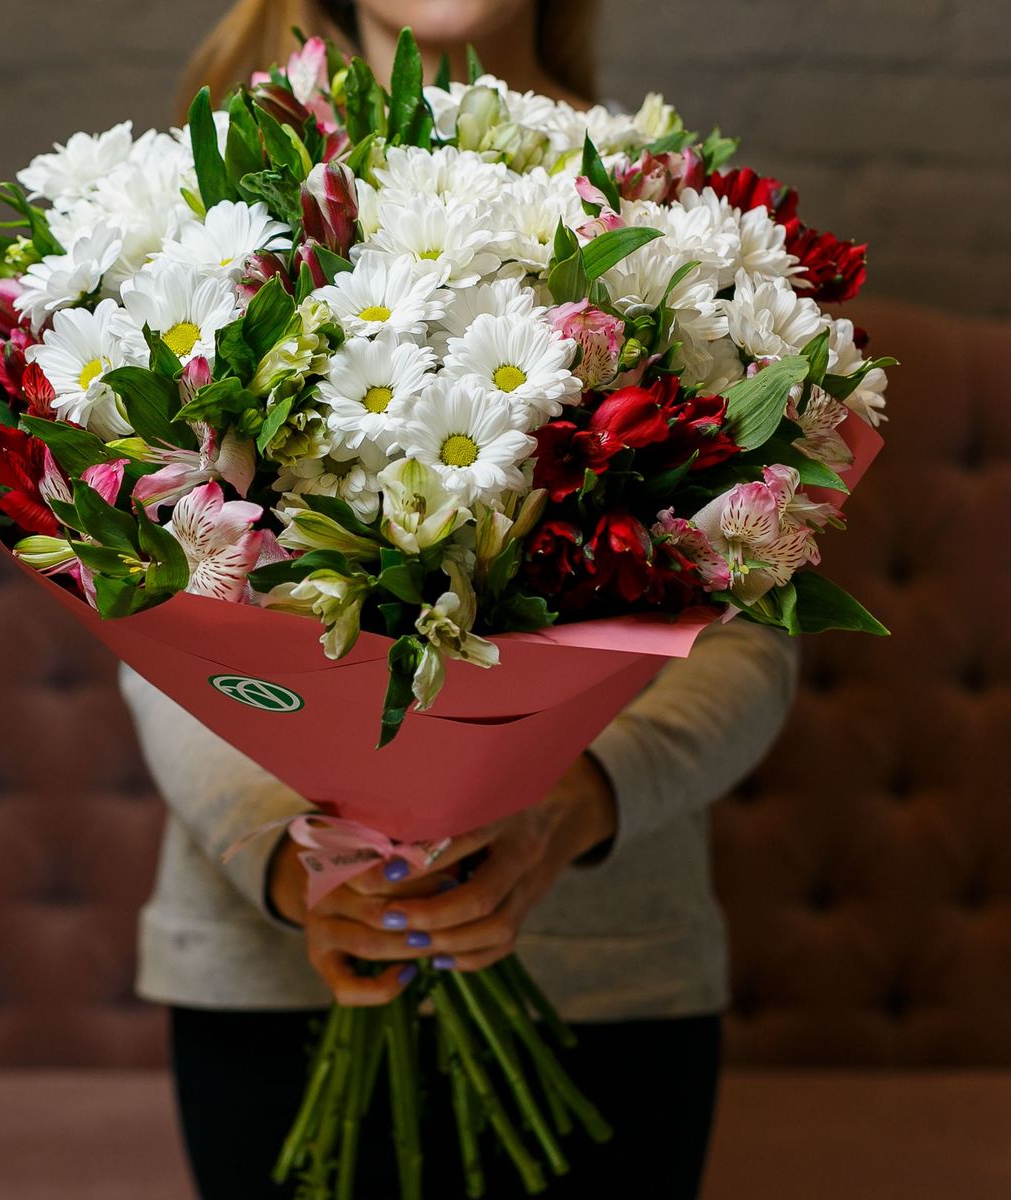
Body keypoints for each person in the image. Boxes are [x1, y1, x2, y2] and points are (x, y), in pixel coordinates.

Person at [121, 1, 801, 1196]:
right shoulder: (195, 203)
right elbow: (151, 607)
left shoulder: (687, 220)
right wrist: (297, 867)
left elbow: (752, 639)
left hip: (609, 978)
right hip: (275, 973)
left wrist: (565, 811)